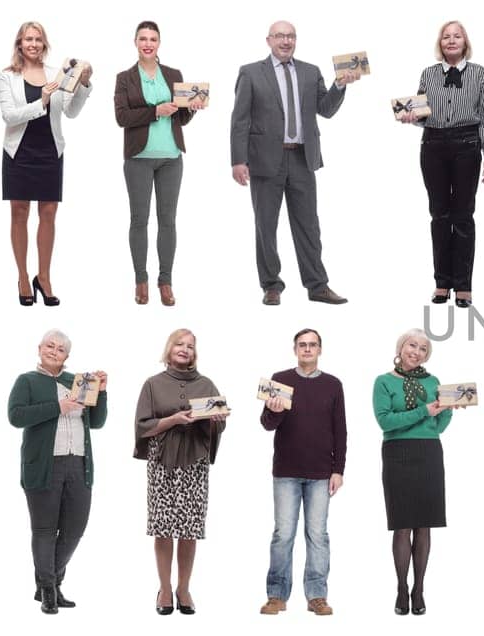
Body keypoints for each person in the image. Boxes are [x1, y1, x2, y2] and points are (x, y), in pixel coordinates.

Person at [230, 21, 357, 306]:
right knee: (266, 225)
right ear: (268, 40)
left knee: (309, 225)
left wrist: (340, 85)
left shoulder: (310, 72)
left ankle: (317, 285)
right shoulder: (250, 72)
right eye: (280, 36)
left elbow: (325, 110)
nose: (286, 41)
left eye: (291, 36)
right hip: (264, 159)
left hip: (302, 157)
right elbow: (240, 120)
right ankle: (271, 285)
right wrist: (238, 160)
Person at [6, 329, 108, 614]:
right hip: (43, 465)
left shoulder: (78, 382)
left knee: (75, 529)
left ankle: (47, 581)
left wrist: (102, 392)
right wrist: (57, 407)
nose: (54, 351)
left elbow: (96, 422)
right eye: (49, 346)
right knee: (44, 530)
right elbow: (15, 416)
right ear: (39, 348)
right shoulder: (26, 380)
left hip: (78, 463)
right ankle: (50, 589)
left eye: (60, 349)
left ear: (67, 355)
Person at [398, 21, 484, 308]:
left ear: (465, 41)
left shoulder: (480, 74)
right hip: (433, 145)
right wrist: (410, 117)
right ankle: (442, 282)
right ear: (440, 43)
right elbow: (421, 112)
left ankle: (463, 286)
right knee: (439, 215)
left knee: (463, 216)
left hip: (468, 144)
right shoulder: (428, 74)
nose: (451, 40)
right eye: (446, 36)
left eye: (457, 36)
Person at [133, 329, 226, 615]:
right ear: (169, 347)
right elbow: (142, 425)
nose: (185, 349)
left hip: (194, 461)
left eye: (191, 346)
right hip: (162, 462)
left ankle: (183, 588)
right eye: (180, 344)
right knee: (163, 528)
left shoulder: (207, 383)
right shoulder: (153, 384)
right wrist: (172, 420)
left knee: (189, 529)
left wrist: (217, 420)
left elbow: (216, 427)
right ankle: (164, 588)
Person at [0, 22, 91, 307]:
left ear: (44, 44)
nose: (33, 44)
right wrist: (42, 100)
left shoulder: (55, 73)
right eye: (28, 39)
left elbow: (70, 112)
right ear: (19, 43)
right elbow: (9, 116)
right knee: (19, 213)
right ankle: (23, 277)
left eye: (38, 39)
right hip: (19, 152)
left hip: (50, 151)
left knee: (49, 215)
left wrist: (84, 84)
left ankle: (45, 277)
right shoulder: (7, 76)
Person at [373, 329, 462, 615]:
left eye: (423, 349)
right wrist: (425, 411)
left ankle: (419, 589)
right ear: (401, 347)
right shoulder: (384, 381)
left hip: (429, 452)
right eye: (413, 345)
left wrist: (448, 409)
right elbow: (386, 422)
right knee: (402, 524)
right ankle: (401, 588)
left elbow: (439, 426)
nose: (417, 351)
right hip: (397, 453)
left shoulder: (434, 382)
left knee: (424, 524)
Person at [259, 328, 347, 617]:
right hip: (286, 470)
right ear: (295, 349)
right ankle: (276, 595)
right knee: (283, 534)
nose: (307, 349)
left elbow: (340, 430)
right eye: (302, 345)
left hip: (321, 472)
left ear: (320, 350)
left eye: (312, 345)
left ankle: (317, 595)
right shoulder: (280, 380)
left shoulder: (333, 384)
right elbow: (267, 424)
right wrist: (275, 409)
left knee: (317, 534)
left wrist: (338, 470)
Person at [115, 21, 199, 307]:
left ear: (159, 43)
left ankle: (166, 281)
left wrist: (193, 109)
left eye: (152, 39)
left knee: (168, 221)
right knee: (139, 220)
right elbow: (122, 118)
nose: (148, 43)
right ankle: (141, 280)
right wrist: (154, 111)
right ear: (135, 43)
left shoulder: (174, 75)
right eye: (143, 39)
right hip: (139, 158)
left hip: (171, 157)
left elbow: (181, 118)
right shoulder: (125, 78)